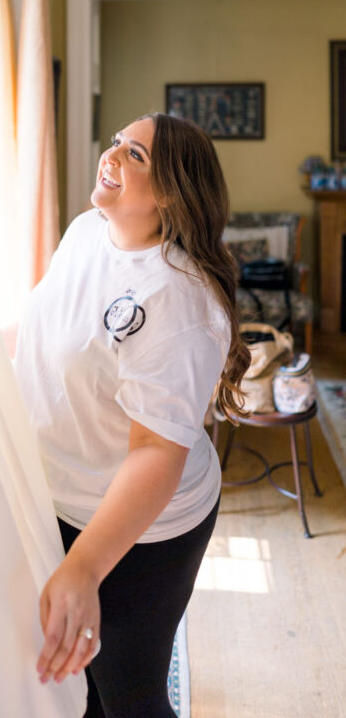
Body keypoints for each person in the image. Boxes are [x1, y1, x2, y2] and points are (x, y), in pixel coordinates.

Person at [13, 112, 251, 718]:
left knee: (127, 690)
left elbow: (156, 451)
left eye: (136, 155)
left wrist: (86, 566)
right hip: (60, 497)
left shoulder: (179, 300)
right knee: (74, 684)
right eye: (117, 142)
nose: (112, 155)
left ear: (171, 192)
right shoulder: (85, 232)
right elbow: (42, 329)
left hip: (145, 528)